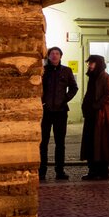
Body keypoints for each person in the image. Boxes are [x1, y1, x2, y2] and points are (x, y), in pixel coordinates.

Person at [40, 47, 79, 181]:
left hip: (61, 112)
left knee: (60, 143)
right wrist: (42, 102)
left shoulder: (66, 71)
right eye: (52, 54)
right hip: (45, 111)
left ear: (61, 56)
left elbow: (74, 88)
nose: (55, 56)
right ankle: (41, 171)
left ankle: (60, 171)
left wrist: (65, 99)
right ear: (49, 56)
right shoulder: (43, 71)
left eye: (57, 54)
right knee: (43, 142)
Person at [79, 54, 109, 181]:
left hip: (100, 117)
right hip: (91, 116)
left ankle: (102, 171)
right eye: (89, 63)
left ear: (98, 64)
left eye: (92, 63)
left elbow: (108, 96)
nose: (89, 65)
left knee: (101, 144)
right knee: (91, 143)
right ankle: (93, 170)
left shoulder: (106, 78)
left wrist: (95, 106)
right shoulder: (93, 78)